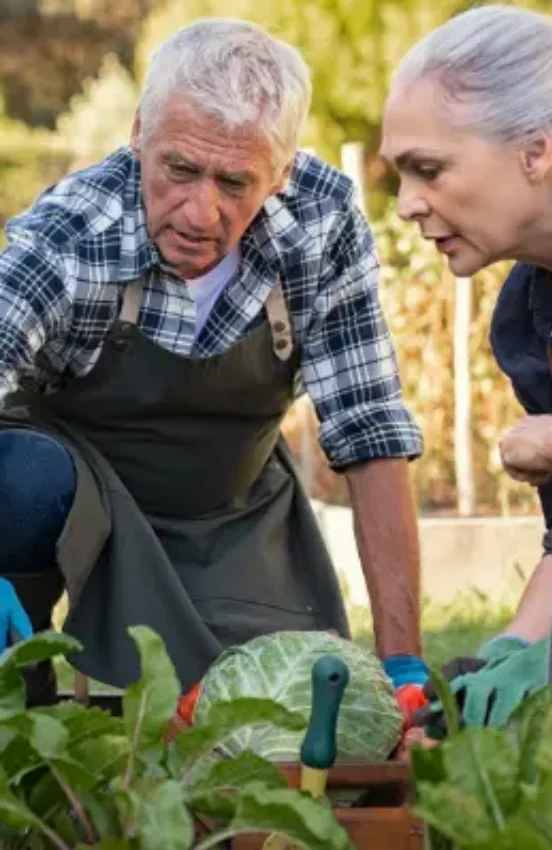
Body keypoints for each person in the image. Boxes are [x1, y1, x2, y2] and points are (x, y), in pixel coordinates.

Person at [0, 18, 428, 720]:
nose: (200, 212)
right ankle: (21, 704)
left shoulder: (322, 223)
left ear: (283, 172)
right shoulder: (76, 230)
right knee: (18, 479)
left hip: (230, 503)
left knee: (263, 727)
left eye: (235, 181)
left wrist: (403, 658)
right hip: (77, 497)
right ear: (140, 132)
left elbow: (370, 426)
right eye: (179, 169)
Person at [381, 3, 552, 847]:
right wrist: (497, 660)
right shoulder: (532, 312)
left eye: (429, 168)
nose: (410, 206)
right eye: (397, 176)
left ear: (536, 151)